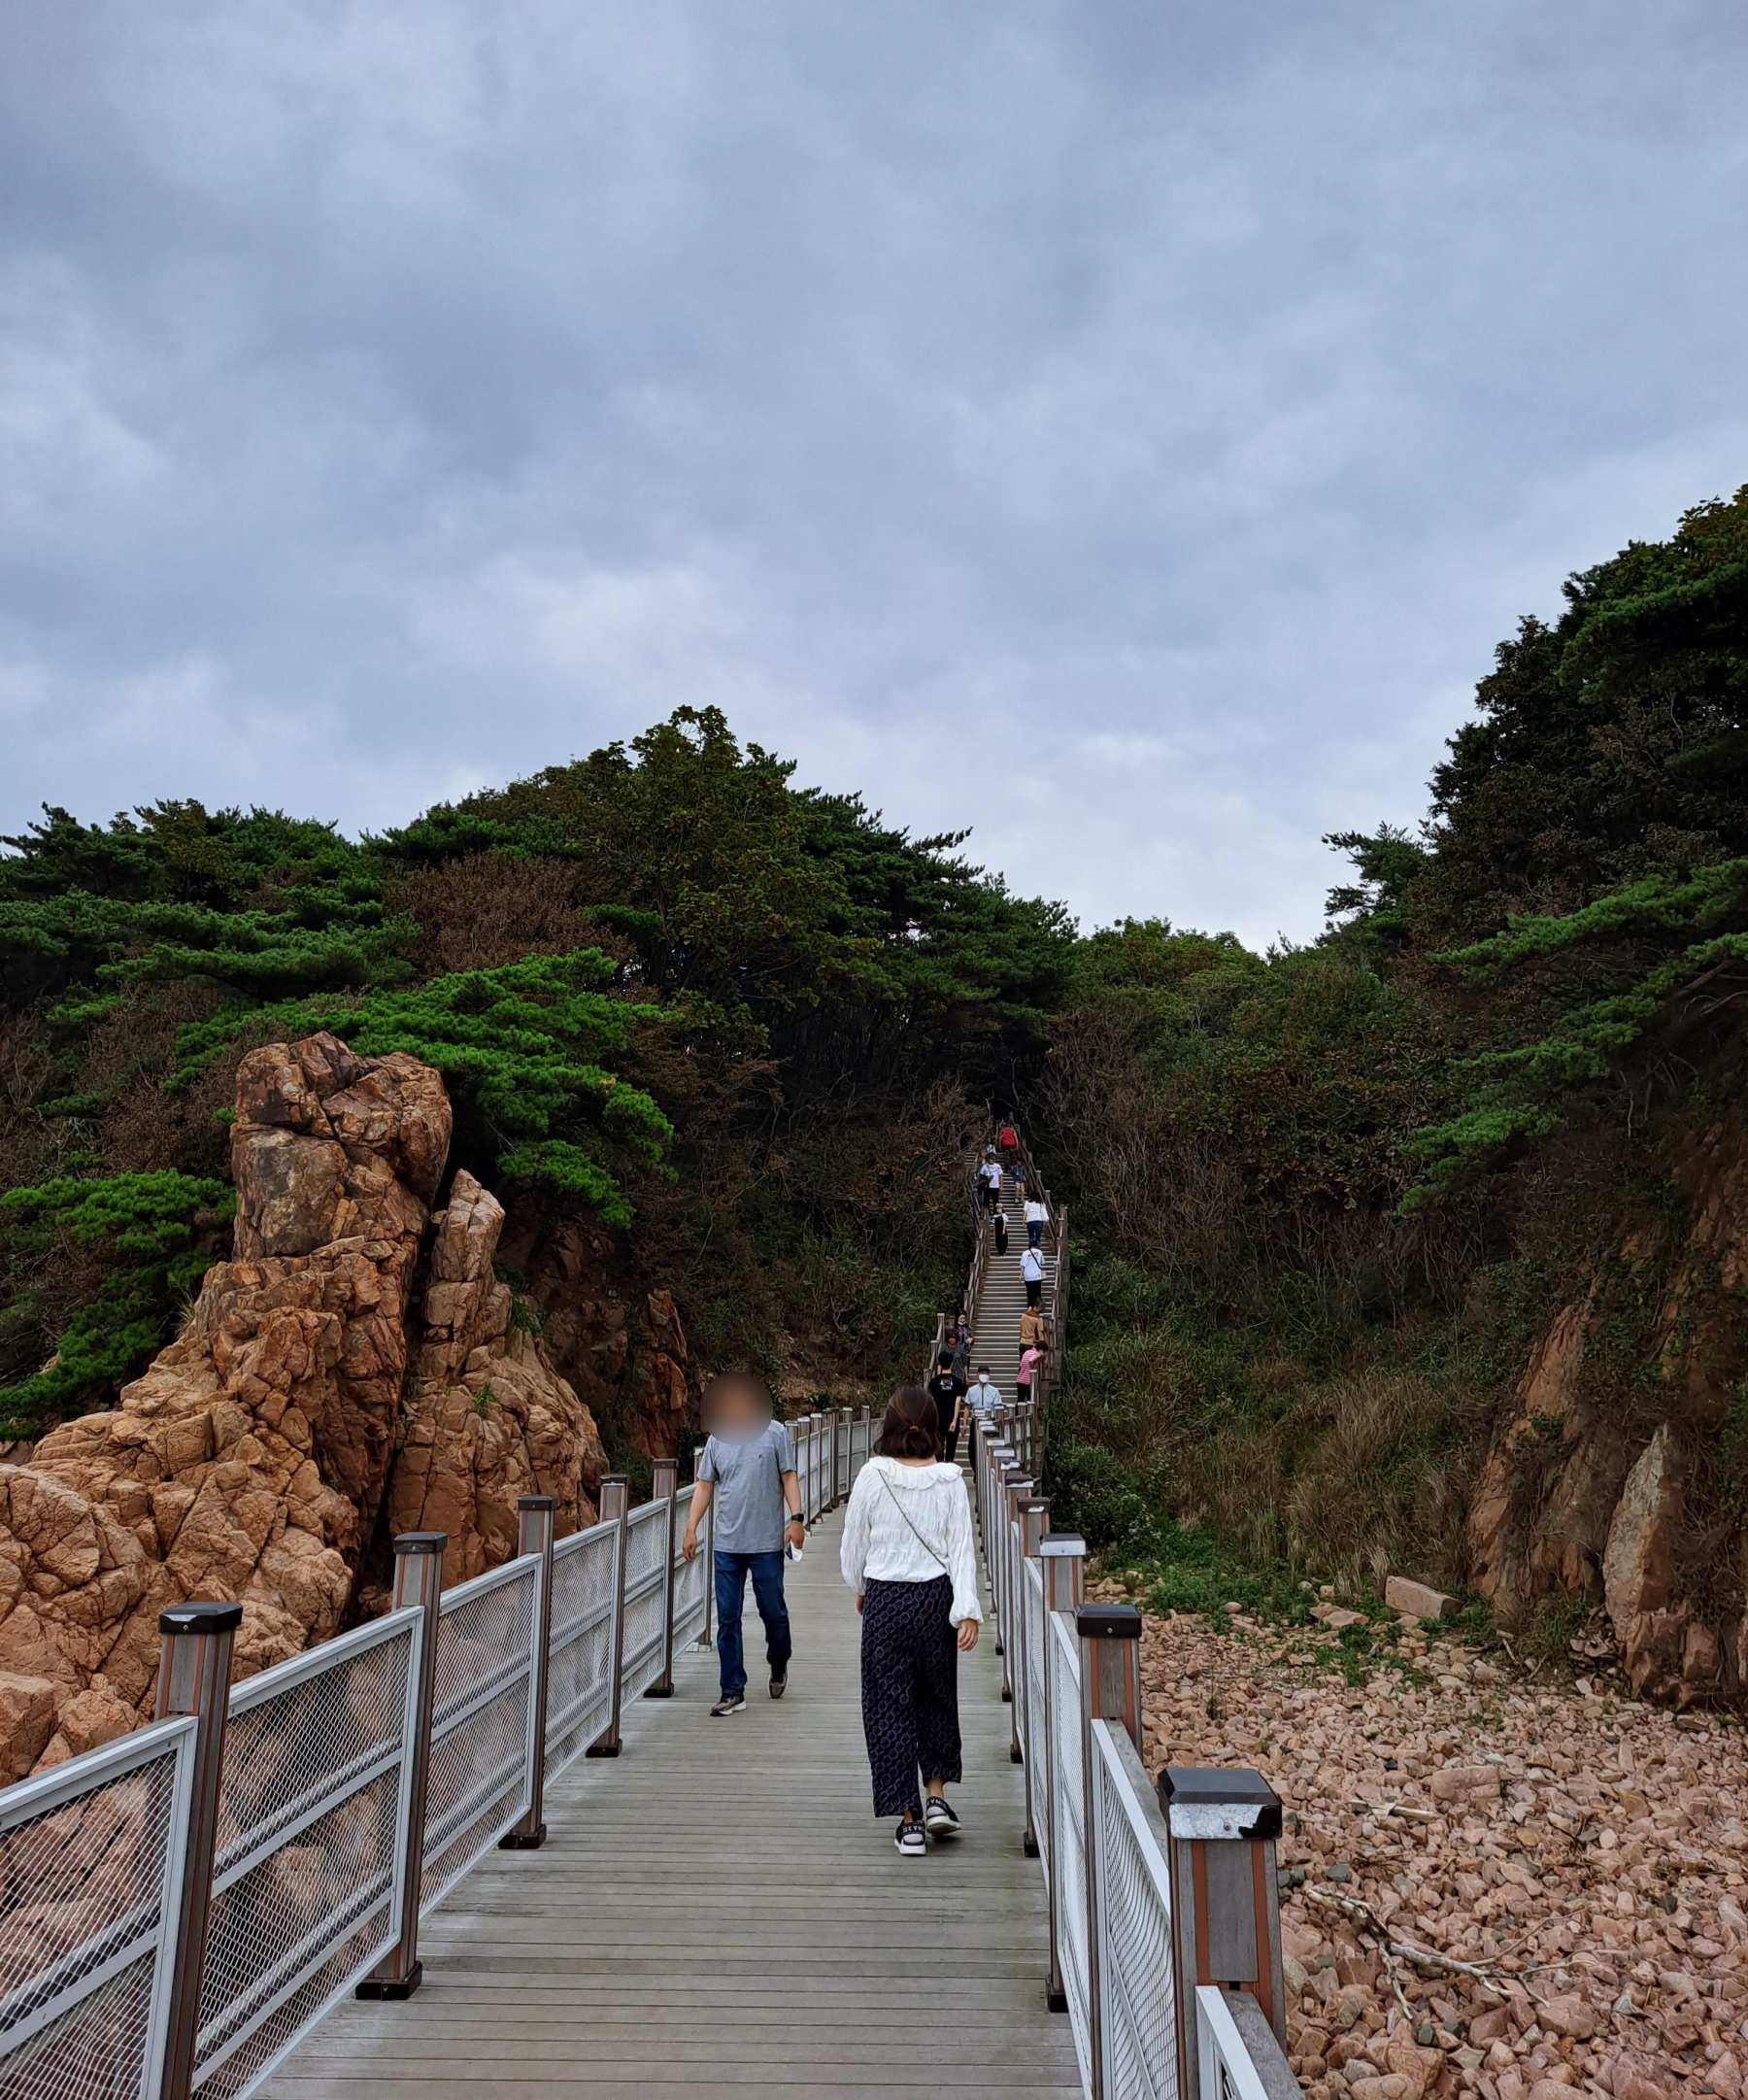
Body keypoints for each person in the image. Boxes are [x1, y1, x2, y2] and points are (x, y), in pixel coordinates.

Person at [840, 1387, 982, 1854]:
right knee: (936, 1698)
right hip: (935, 1601)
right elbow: (963, 1549)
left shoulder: (873, 1475)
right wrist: (966, 1611)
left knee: (888, 1707)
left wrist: (860, 1585)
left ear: (889, 1427)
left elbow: (853, 1543)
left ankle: (909, 1821)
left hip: (885, 1600)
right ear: (933, 1427)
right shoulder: (949, 1479)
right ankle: (937, 1796)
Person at [682, 1373, 803, 1715]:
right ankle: (732, 1689)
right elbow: (705, 1484)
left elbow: (788, 1476)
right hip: (727, 1545)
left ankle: (778, 1660)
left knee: (773, 1613)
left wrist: (797, 1519)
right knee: (728, 1618)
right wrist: (691, 1527)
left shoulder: (776, 1433)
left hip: (765, 1543)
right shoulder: (718, 1439)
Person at [926, 1350, 967, 1465]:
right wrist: (954, 1420)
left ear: (940, 1363)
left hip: (938, 1419)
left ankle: (940, 1472)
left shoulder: (934, 1382)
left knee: (938, 1450)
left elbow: (931, 1401)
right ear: (952, 1363)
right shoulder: (957, 1382)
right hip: (952, 1419)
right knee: (951, 1450)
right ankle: (949, 1473)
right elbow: (958, 1401)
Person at [1016, 1342, 1043, 1406]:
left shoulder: (1027, 1352)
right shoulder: (1037, 1353)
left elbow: (1021, 1364)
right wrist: (1032, 1369)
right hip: (1028, 1381)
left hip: (1019, 1380)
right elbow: (1031, 1360)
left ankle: (1017, 1414)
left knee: (1020, 1400)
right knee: (1030, 1400)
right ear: (1041, 1349)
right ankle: (1031, 1414)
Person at [1021, 1241, 1044, 1308]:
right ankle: (1038, 1307)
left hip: (1028, 1277)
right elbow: (1042, 1262)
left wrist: (1020, 1276)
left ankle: (1030, 1306)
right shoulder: (1039, 1252)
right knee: (1037, 1293)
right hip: (1037, 1276)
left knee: (1030, 1292)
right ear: (1036, 1245)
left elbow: (1023, 1266)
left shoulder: (1025, 1253)